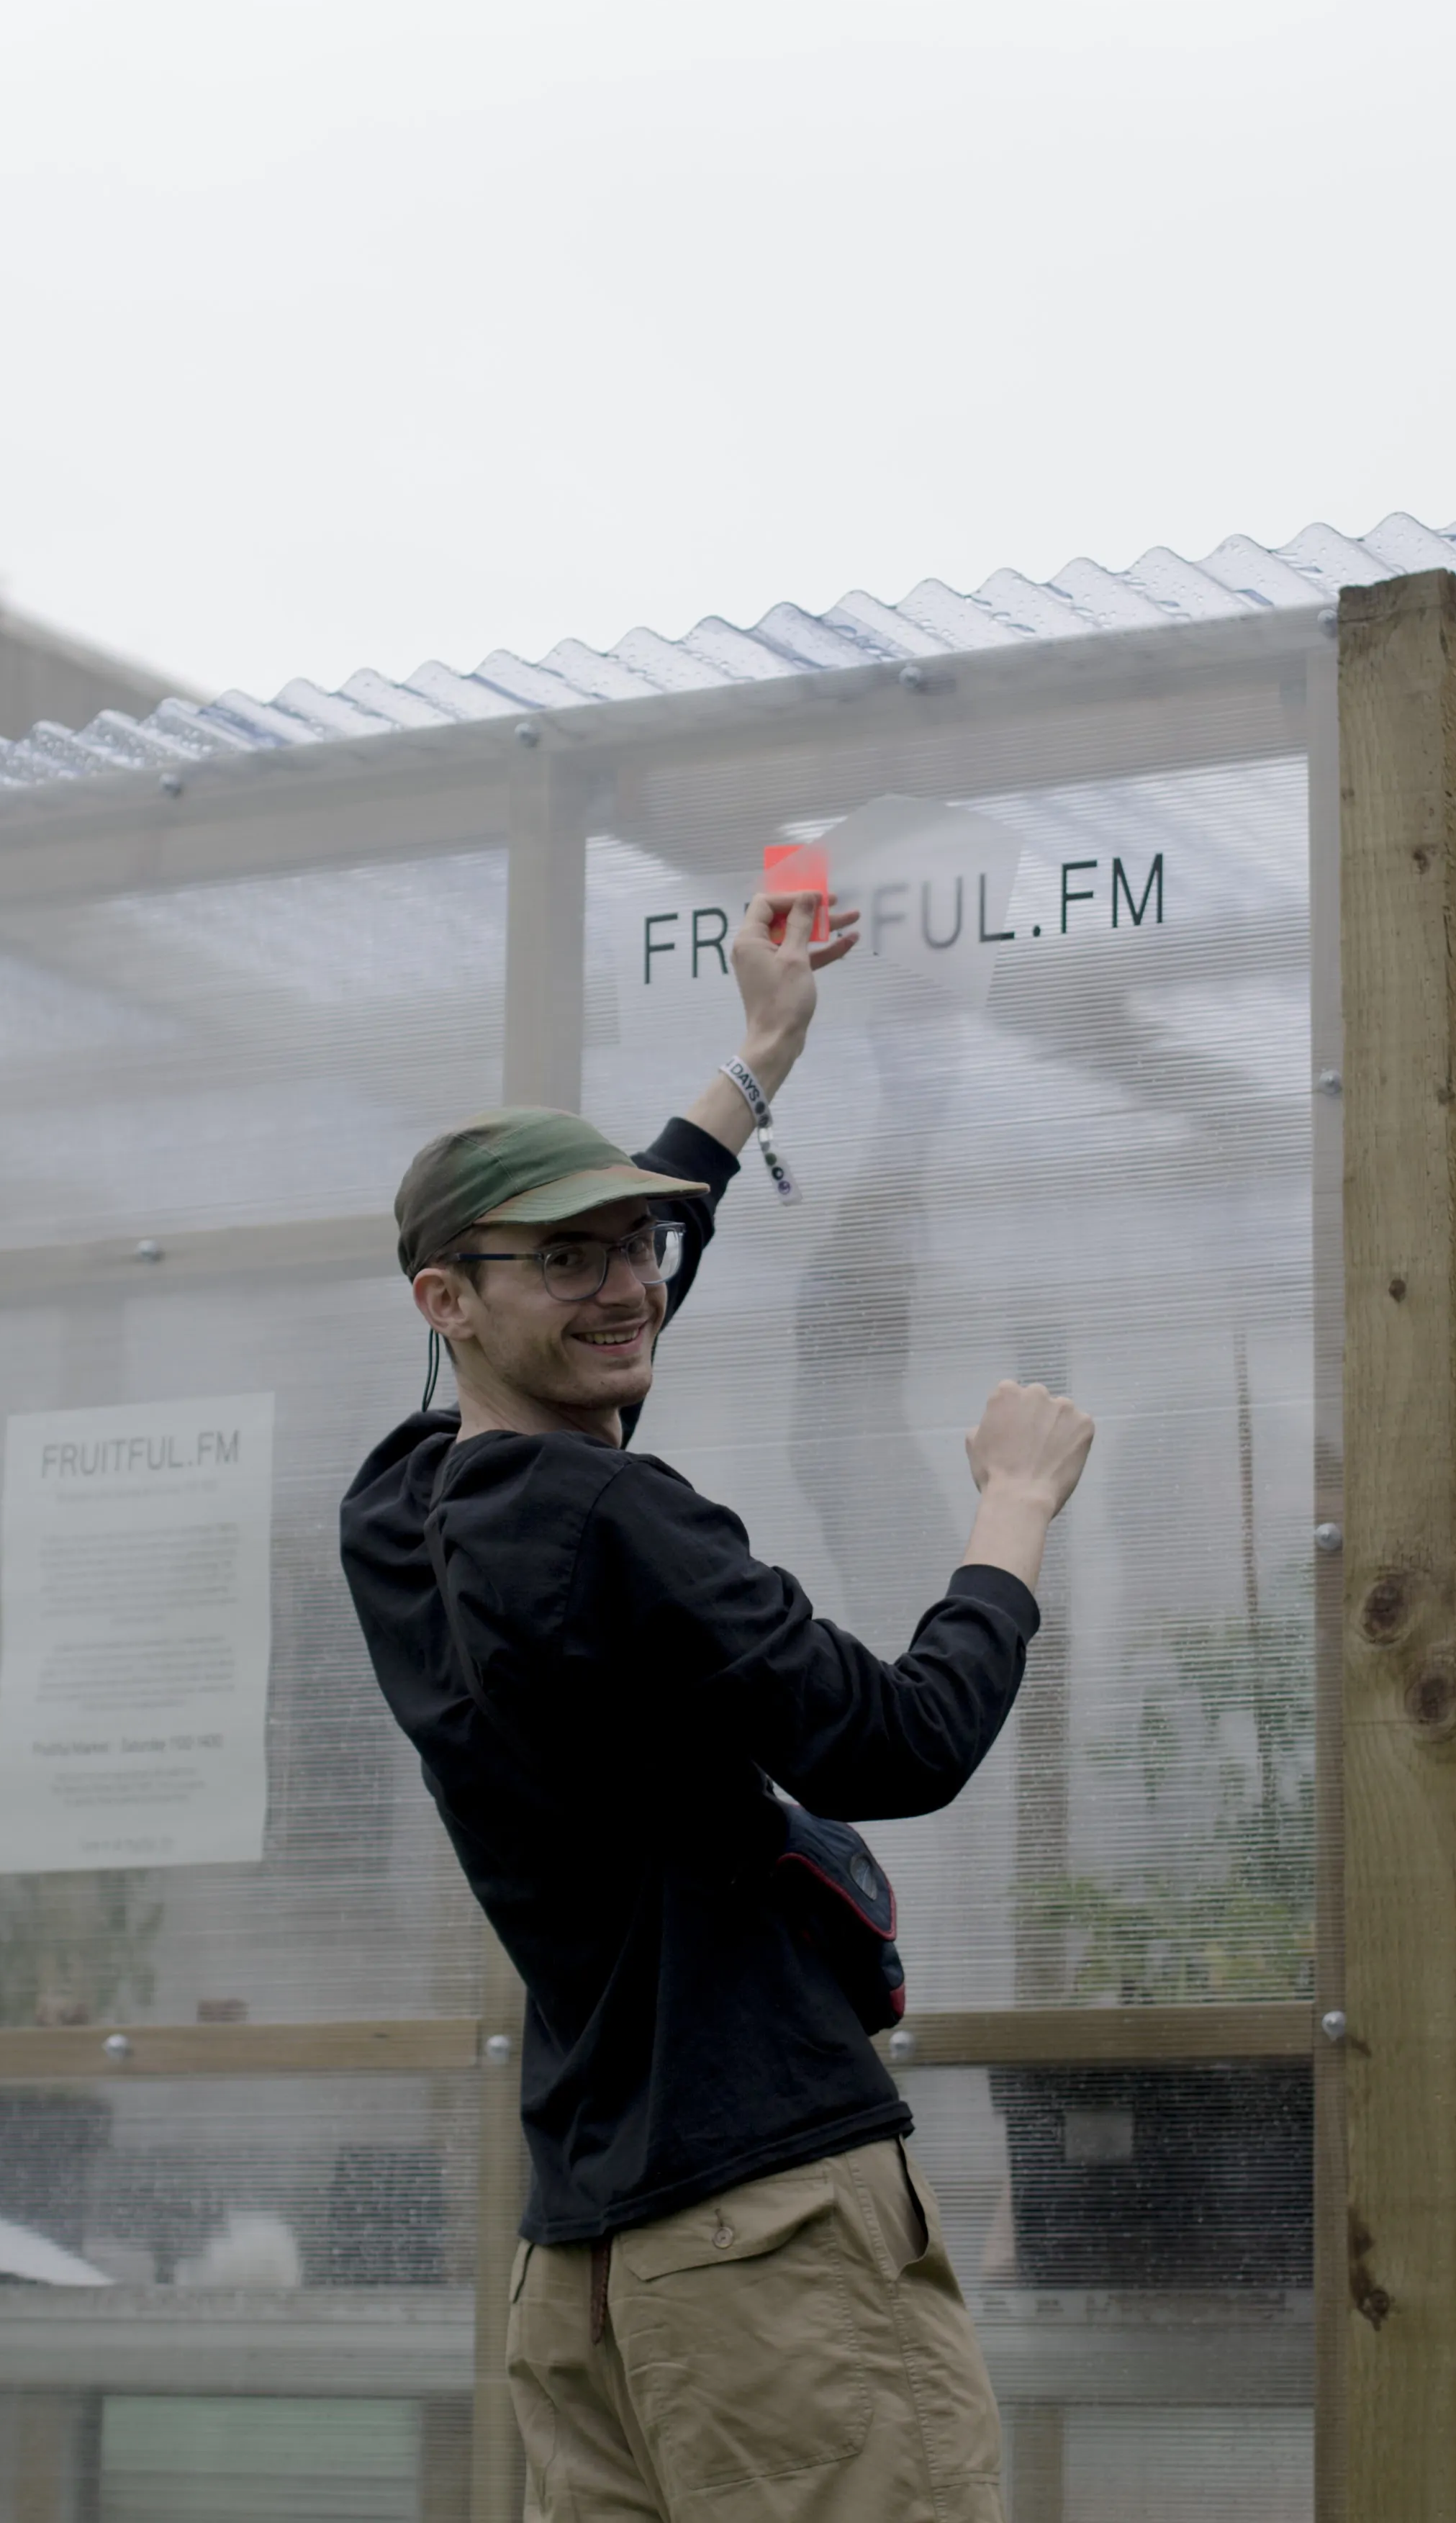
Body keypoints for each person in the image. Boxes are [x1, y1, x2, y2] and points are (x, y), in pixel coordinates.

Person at [340, 885, 1096, 2523]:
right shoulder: (615, 1521)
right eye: (566, 1261)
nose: (625, 1288)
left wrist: (759, 1060)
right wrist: (1012, 1515)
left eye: (635, 1248)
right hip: (769, 2237)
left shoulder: (400, 1512)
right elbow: (902, 1743)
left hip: (595, 2254)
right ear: (444, 1301)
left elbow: (606, 1252)